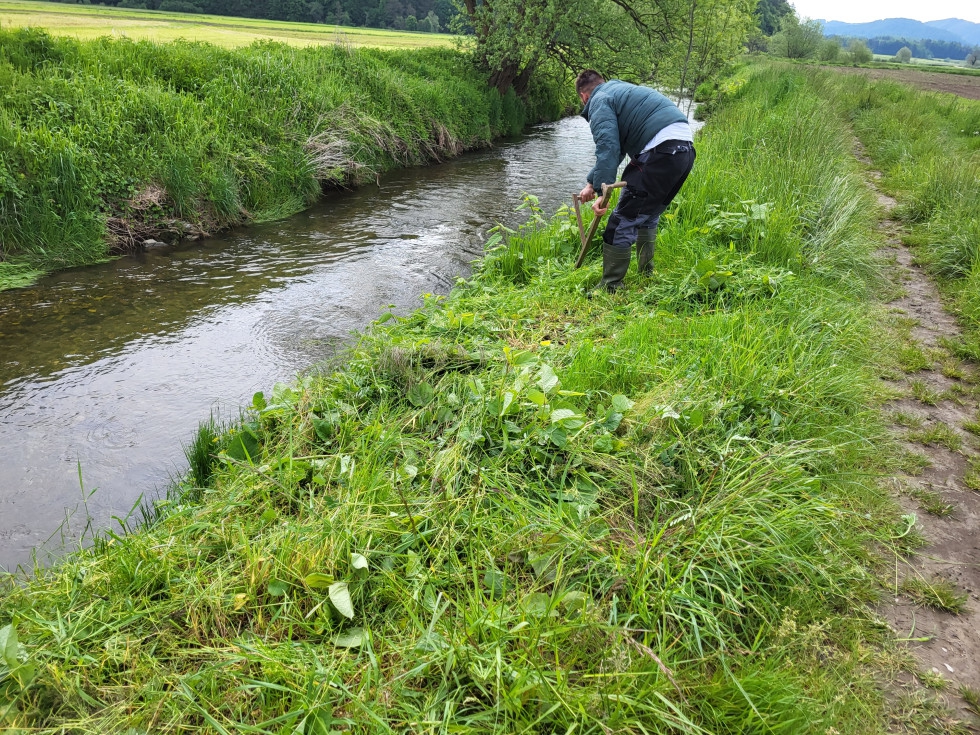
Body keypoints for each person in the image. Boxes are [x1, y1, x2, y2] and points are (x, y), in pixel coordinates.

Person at [577, 70, 696, 292]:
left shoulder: (599, 100)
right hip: (684, 151)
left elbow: (608, 146)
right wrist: (591, 184)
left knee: (622, 219)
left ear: (584, 97)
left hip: (660, 151)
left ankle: (611, 286)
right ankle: (646, 273)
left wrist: (603, 193)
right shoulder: (620, 90)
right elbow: (618, 149)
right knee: (648, 214)